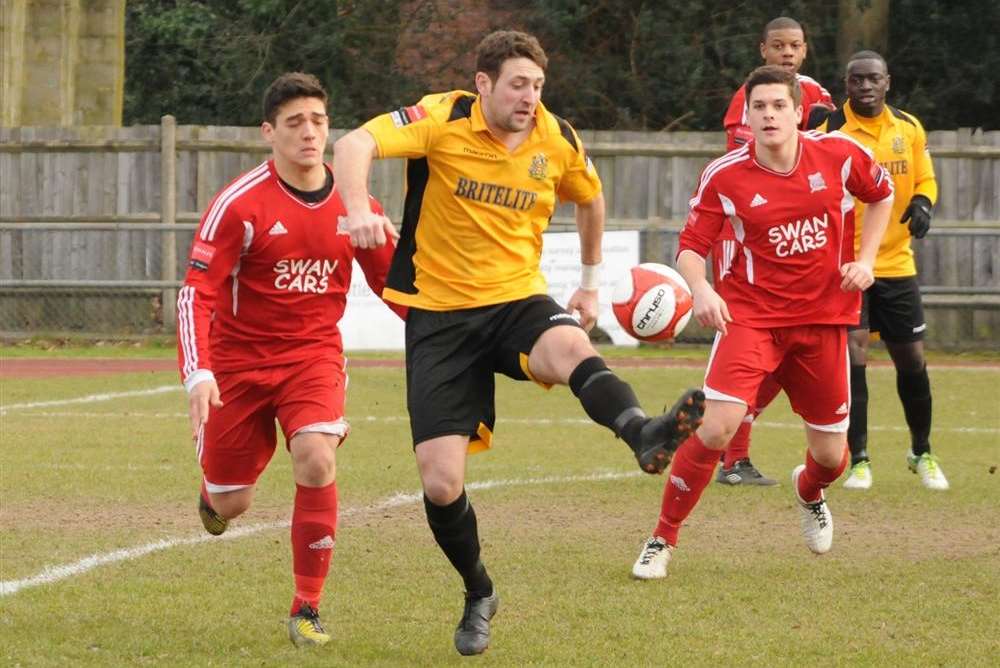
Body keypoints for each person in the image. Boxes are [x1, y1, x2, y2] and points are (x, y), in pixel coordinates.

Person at [333, 30, 705, 655]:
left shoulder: (556, 138)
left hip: (516, 300)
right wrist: (355, 207)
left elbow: (590, 197)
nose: (530, 97)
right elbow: (354, 143)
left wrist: (589, 287)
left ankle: (642, 430)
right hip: (441, 316)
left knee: (568, 350)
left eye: (537, 85)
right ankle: (479, 591)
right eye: (517, 84)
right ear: (483, 84)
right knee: (441, 483)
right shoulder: (441, 116)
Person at [632, 65, 894, 581]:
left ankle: (810, 491)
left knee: (831, 457)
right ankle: (661, 539)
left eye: (779, 106)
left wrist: (867, 260)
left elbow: (882, 194)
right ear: (747, 116)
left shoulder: (840, 155)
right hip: (752, 318)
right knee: (715, 428)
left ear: (800, 112)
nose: (769, 115)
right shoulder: (725, 174)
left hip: (823, 321)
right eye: (760, 107)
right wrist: (702, 289)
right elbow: (690, 248)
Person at [176, 72, 403, 647]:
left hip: (312, 357)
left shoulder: (356, 205)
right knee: (234, 501)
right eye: (295, 122)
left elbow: (399, 290)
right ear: (268, 133)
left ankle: (307, 607)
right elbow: (195, 293)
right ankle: (214, 495)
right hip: (236, 366)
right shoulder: (239, 205)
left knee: (316, 458)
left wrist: (455, 336)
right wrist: (199, 372)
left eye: (319, 121)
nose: (309, 133)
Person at [714, 15, 837, 486]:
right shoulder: (753, 96)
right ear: (762, 49)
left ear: (804, 51)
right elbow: (750, 149)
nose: (787, 53)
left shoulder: (817, 93)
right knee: (754, 339)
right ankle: (727, 447)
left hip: (798, 238)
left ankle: (725, 440)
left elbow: (833, 148)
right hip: (744, 235)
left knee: (785, 350)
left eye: (796, 46)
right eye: (779, 46)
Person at [819, 51, 948, 491]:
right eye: (858, 80)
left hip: (895, 264)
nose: (866, 87)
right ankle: (859, 459)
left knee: (911, 359)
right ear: (846, 84)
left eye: (874, 79)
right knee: (853, 356)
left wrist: (923, 203)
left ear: (888, 82)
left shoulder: (908, 129)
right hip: (847, 269)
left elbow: (926, 179)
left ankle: (922, 451)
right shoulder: (828, 132)